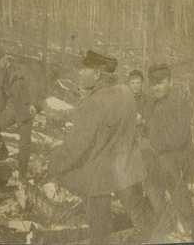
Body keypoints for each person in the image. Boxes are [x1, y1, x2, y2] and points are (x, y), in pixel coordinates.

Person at [47, 50, 156, 243]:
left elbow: (76, 146)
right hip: (127, 169)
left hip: (99, 179)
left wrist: (53, 164)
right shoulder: (126, 92)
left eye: (84, 69)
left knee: (99, 232)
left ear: (97, 74)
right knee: (143, 216)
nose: (79, 73)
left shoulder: (93, 102)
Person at [143, 63, 194, 242]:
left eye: (160, 83)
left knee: (181, 197)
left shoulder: (179, 104)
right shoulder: (151, 104)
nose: (156, 87)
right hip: (157, 158)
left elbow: (178, 138)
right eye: (153, 84)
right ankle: (166, 226)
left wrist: (151, 143)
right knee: (153, 193)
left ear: (170, 82)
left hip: (176, 159)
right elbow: (151, 129)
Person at [0, 53, 38, 179]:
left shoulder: (21, 69)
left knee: (24, 143)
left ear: (5, 57)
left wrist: (33, 104)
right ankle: (3, 151)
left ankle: (22, 174)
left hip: (25, 108)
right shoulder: (1, 73)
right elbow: (1, 93)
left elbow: (33, 86)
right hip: (11, 107)